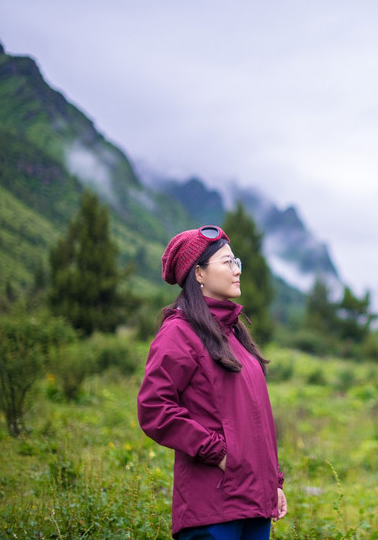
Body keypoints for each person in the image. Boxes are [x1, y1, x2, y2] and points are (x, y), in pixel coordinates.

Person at [137, 225, 287, 540]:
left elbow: (253, 419)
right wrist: (217, 453)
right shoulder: (179, 333)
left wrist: (273, 481)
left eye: (237, 263)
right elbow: (154, 407)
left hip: (255, 505)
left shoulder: (235, 334)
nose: (237, 271)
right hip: (212, 510)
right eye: (227, 262)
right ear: (199, 274)